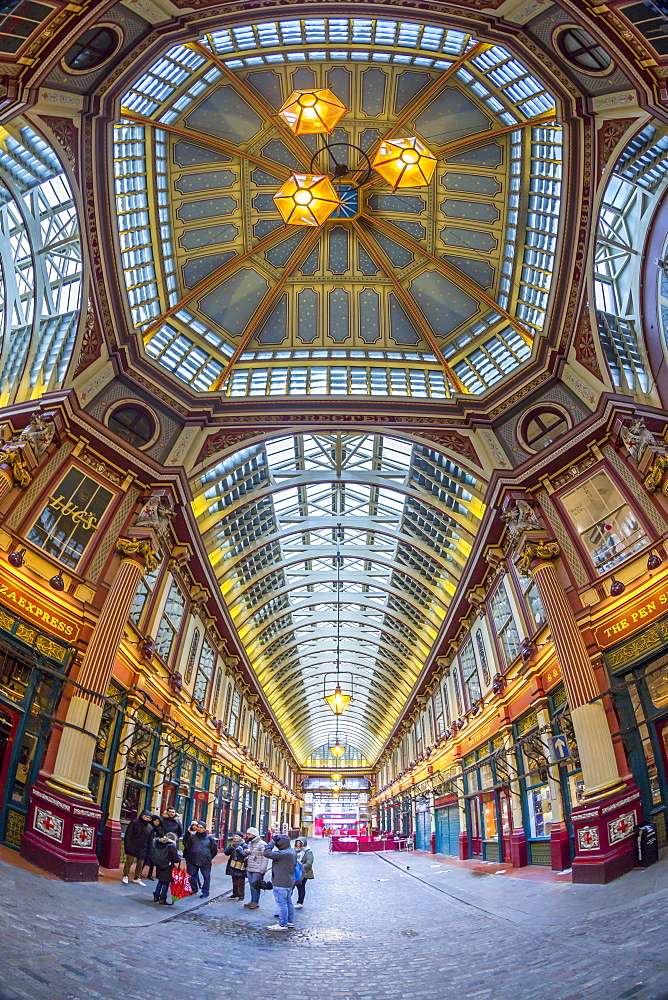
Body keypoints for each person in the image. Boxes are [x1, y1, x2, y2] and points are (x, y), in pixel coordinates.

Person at [263, 835, 297, 931]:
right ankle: (289, 921)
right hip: (289, 881)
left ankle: (282, 924)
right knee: (288, 902)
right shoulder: (291, 851)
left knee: (282, 904)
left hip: (280, 882)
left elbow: (266, 853)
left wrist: (272, 842)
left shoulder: (283, 854)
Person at [186, 820, 217, 898]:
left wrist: (208, 857)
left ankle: (205, 891)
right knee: (192, 875)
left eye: (201, 827)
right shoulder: (192, 837)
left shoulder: (209, 839)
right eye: (198, 827)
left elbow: (214, 850)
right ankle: (193, 889)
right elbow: (188, 847)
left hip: (205, 861)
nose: (199, 829)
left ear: (204, 829)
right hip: (193, 859)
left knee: (206, 876)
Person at [121, 809, 153, 885]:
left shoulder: (150, 828)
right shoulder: (134, 823)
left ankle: (137, 878)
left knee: (140, 864)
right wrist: (127, 847)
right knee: (129, 862)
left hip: (143, 848)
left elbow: (150, 840)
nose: (147, 819)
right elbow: (128, 835)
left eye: (149, 818)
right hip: (132, 846)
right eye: (146, 817)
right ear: (142, 816)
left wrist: (149, 850)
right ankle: (125, 875)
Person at [151, 831, 180, 904]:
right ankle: (162, 898)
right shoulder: (171, 846)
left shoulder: (158, 843)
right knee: (166, 882)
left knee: (160, 881)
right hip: (168, 865)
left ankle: (156, 896)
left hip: (159, 864)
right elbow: (175, 858)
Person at [244, 827, 269, 909]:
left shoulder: (262, 844)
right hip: (250, 866)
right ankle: (252, 900)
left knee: (255, 885)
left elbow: (265, 857)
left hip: (258, 868)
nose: (248, 836)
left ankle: (255, 902)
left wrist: (263, 869)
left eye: (249, 834)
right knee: (251, 885)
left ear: (254, 835)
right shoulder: (250, 843)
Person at [223, 832, 248, 901]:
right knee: (234, 880)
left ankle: (241, 896)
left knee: (240, 881)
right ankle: (235, 894)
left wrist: (239, 850)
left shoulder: (244, 845)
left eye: (237, 836)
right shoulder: (232, 844)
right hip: (232, 864)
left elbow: (245, 855)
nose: (235, 837)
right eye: (234, 836)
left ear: (241, 837)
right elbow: (226, 853)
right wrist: (231, 847)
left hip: (240, 865)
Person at [292, 838, 314, 908]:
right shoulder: (293, 850)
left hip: (304, 873)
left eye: (299, 843)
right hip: (294, 872)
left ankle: (300, 902)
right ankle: (287, 901)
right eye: (297, 843)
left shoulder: (307, 852)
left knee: (301, 887)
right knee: (291, 887)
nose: (298, 845)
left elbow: (309, 863)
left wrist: (299, 867)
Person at [143, 815, 164, 880]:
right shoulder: (149, 827)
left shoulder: (160, 828)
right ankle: (139, 871)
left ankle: (150, 874)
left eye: (158, 821)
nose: (156, 822)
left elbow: (162, 836)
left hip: (156, 847)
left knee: (153, 861)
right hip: (148, 845)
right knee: (144, 859)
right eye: (155, 821)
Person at [182, 820, 201, 893]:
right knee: (190, 871)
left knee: (194, 871)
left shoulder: (198, 834)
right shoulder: (188, 833)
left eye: (196, 826)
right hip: (188, 854)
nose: (194, 827)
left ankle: (195, 886)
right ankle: (191, 886)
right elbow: (185, 842)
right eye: (193, 825)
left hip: (196, 855)